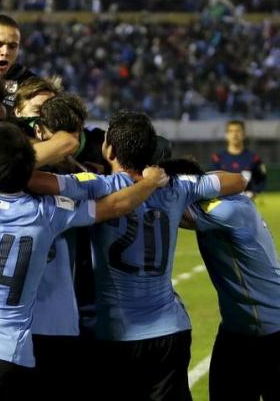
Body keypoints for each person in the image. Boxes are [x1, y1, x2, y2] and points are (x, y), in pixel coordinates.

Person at [0, 122, 169, 400]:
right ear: (30, 168)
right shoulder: (49, 212)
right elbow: (115, 206)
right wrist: (150, 182)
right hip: (12, 354)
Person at [31, 111, 247, 400]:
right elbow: (237, 181)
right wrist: (173, 177)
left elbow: (36, 181)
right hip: (171, 331)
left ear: (108, 149)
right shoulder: (176, 187)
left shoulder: (98, 186)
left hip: (118, 336)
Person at [165, 158, 280, 401]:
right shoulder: (225, 201)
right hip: (237, 330)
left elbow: (171, 209)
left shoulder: (227, 210)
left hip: (270, 332)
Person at [211, 119, 266, 198]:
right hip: (223, 204)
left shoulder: (254, 158)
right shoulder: (217, 158)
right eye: (231, 131)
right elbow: (212, 182)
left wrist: (254, 192)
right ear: (226, 135)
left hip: (246, 204)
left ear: (244, 134)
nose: (234, 134)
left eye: (238, 131)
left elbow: (262, 179)